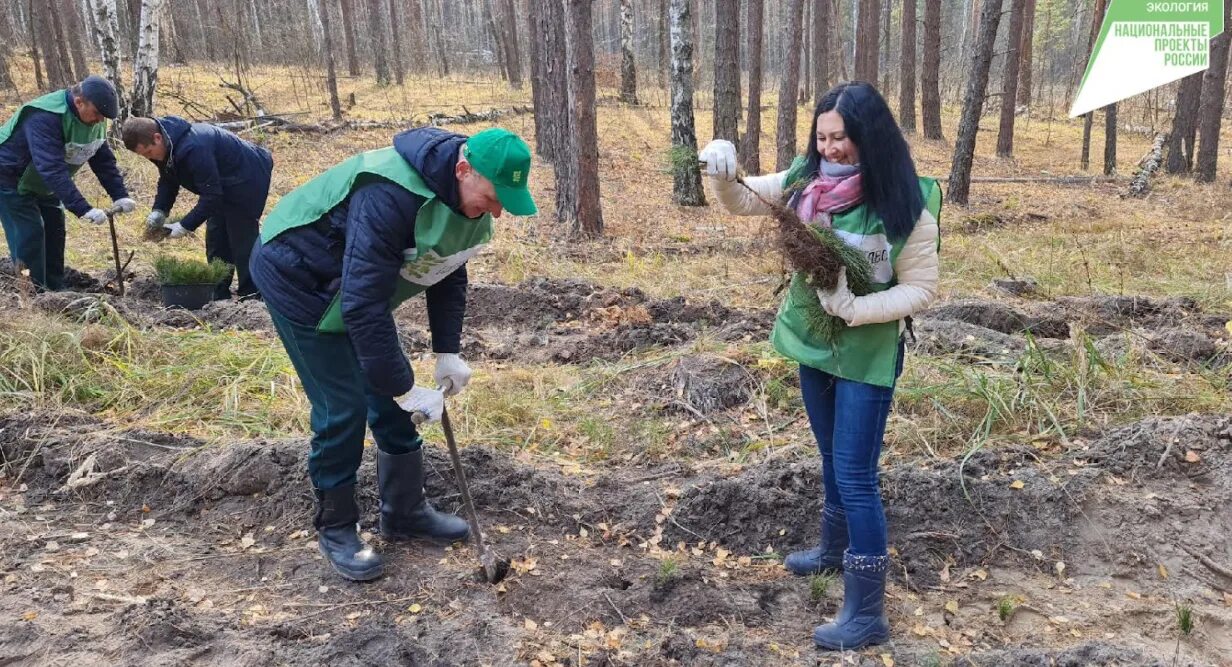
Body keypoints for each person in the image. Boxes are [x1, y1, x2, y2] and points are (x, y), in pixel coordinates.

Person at [698, 81, 941, 650]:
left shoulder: (905, 203)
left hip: (867, 354)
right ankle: (832, 551)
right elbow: (740, 200)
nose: (830, 149)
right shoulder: (805, 179)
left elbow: (921, 290)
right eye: (823, 137)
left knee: (858, 477)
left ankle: (866, 612)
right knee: (832, 458)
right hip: (814, 345)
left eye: (842, 139)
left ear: (870, 138)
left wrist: (855, 309)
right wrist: (720, 166)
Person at [249, 126, 537, 581]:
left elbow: (447, 266)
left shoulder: (462, 192)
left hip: (356, 286)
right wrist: (404, 388)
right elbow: (363, 306)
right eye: (493, 198)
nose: (497, 213)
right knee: (342, 404)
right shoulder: (390, 194)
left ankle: (403, 511)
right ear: (463, 170)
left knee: (386, 390)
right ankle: (337, 527)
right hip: (297, 275)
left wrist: (447, 350)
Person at [0, 75, 135, 290]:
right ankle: (31, 294)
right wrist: (83, 208)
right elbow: (52, 168)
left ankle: (55, 289)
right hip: (10, 177)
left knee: (55, 230)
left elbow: (102, 160)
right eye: (98, 114)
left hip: (43, 182)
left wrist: (120, 193)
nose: (100, 120)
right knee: (31, 232)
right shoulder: (44, 116)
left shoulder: (94, 119)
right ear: (79, 101)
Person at [122, 116, 274, 300]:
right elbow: (168, 180)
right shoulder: (166, 146)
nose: (149, 158)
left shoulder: (193, 147)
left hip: (248, 175)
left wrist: (184, 225)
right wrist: (159, 210)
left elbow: (211, 196)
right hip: (221, 182)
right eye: (144, 156)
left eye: (148, 152)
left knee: (240, 236)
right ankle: (219, 292)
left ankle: (252, 294)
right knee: (216, 238)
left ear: (157, 138)